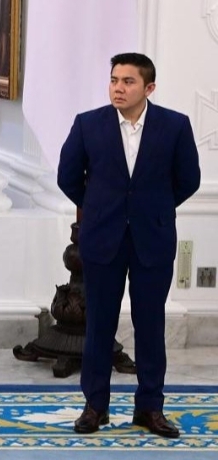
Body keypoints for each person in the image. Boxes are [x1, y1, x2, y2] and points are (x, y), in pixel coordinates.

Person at [58, 53, 200, 438]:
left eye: (128, 81)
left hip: (152, 239)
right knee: (99, 324)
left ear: (149, 87)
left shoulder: (175, 126)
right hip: (102, 239)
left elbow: (188, 179)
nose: (118, 88)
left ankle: (150, 408)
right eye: (114, 80)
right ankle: (95, 406)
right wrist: (99, 208)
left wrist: (152, 209)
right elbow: (67, 177)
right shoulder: (88, 124)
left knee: (150, 325)